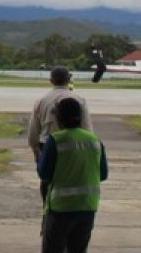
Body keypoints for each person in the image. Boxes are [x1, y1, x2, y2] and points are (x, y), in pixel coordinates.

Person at [37, 96, 107, 253]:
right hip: (88, 207)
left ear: (58, 117)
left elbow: (44, 174)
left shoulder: (56, 141)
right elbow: (103, 174)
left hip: (61, 209)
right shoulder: (95, 140)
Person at [26, 66, 92, 200]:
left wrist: (37, 153)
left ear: (51, 80)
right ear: (69, 80)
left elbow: (33, 132)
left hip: (47, 146)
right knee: (72, 183)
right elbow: (87, 130)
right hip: (74, 147)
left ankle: (48, 215)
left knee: (48, 185)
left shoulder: (41, 101)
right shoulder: (79, 100)